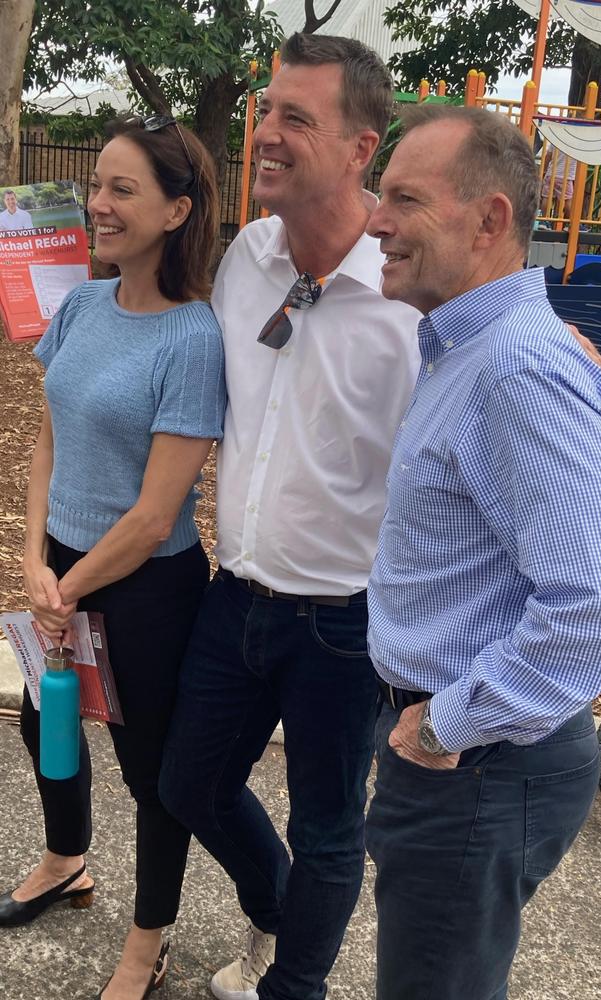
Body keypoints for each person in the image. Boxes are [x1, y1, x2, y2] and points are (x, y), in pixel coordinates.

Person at [364, 104, 601, 1000]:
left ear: (489, 219)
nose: (375, 221)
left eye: (404, 199)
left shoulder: (519, 366)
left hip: (474, 763)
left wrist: (446, 722)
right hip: (465, 756)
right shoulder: (476, 347)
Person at [158, 33, 421, 1000]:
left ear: (362, 148)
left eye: (295, 119)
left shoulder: (407, 298)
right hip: (239, 594)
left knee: (328, 828)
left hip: (346, 623)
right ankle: (278, 913)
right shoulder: (246, 258)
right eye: (268, 110)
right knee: (188, 784)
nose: (266, 134)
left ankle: (294, 988)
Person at [0, 117, 225, 1000]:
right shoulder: (83, 306)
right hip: (60, 565)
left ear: (177, 209)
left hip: (146, 588)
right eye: (97, 184)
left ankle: (148, 942)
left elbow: (155, 513)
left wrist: (68, 587)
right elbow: (47, 441)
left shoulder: (194, 338)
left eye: (123, 190)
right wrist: (30, 558)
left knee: (151, 774)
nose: (98, 203)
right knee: (40, 721)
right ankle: (65, 859)